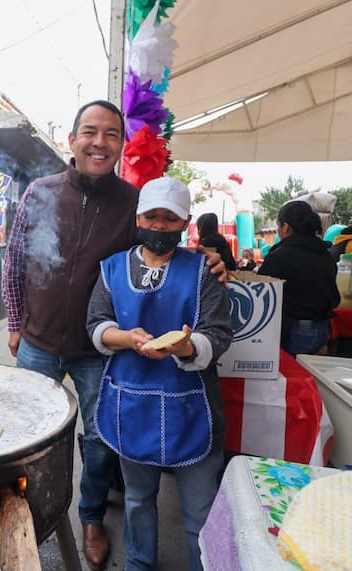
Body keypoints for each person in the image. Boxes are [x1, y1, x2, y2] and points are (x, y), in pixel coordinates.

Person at [1, 100, 226, 568]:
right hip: (38, 343)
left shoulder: (131, 204)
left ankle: (90, 519)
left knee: (101, 441)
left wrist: (213, 260)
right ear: (72, 139)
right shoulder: (39, 192)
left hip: (96, 349)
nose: (98, 142)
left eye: (110, 134)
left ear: (121, 145)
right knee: (30, 435)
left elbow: (156, 257)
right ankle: (19, 517)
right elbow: (14, 262)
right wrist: (17, 323)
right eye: (89, 131)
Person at [86, 176, 232, 571]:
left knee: (199, 510)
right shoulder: (113, 269)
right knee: (137, 500)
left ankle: (204, 564)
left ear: (184, 223)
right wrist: (125, 337)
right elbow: (96, 322)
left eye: (170, 218)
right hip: (130, 405)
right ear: (139, 217)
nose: (160, 225)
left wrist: (188, 347)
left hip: (192, 409)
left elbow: (219, 333)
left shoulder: (203, 270)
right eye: (152, 216)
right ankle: (139, 563)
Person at [258, 201, 341, 356]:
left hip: (293, 332)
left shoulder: (280, 255)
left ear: (286, 227)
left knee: (292, 376)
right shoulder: (325, 254)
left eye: (278, 226)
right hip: (322, 329)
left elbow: (260, 293)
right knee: (312, 377)